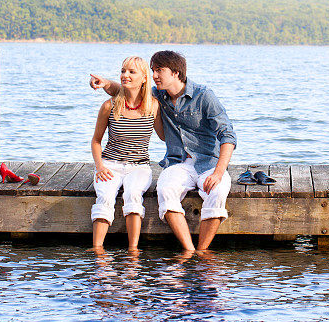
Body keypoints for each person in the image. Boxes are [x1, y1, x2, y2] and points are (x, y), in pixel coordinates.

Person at [91, 50, 236, 253]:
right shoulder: (158, 95)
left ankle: (202, 251)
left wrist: (218, 172)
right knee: (165, 190)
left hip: (208, 162)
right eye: (152, 71)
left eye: (159, 70)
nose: (154, 75)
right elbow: (129, 90)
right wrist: (106, 83)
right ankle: (189, 251)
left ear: (176, 73)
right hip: (177, 162)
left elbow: (228, 135)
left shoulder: (204, 96)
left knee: (219, 191)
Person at [90, 56, 164, 253]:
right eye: (123, 71)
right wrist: (100, 167)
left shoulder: (153, 106)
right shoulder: (110, 106)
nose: (125, 75)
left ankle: (133, 251)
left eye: (132, 72)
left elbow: (165, 137)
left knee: (132, 194)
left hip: (139, 166)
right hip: (110, 164)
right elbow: (96, 141)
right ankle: (97, 249)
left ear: (144, 78)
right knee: (105, 195)